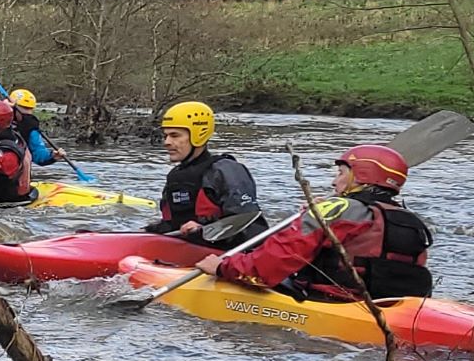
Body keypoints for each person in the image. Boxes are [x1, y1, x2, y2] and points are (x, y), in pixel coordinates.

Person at [213, 143, 434, 302]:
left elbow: (276, 259)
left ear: (359, 176)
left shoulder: (337, 208)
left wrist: (224, 267)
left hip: (331, 301)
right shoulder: (410, 219)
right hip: (392, 306)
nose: (333, 181)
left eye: (340, 173)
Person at [152, 101, 263, 243]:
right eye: (165, 136)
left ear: (198, 134)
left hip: (222, 254)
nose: (166, 142)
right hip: (184, 250)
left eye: (175, 135)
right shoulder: (175, 176)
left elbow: (250, 227)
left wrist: (203, 229)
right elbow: (170, 224)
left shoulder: (226, 171)